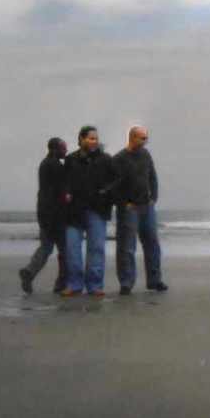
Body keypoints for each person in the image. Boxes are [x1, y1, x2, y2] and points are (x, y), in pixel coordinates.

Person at [62, 126, 118, 297]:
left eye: (96, 139)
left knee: (96, 249)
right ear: (81, 139)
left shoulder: (106, 159)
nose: (94, 141)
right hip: (74, 211)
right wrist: (66, 192)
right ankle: (74, 285)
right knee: (72, 249)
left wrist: (106, 192)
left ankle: (95, 286)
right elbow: (65, 181)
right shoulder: (71, 159)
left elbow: (116, 180)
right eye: (91, 138)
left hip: (97, 210)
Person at [113, 125, 167, 295]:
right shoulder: (119, 158)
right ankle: (126, 282)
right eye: (142, 138)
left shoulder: (145, 155)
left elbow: (152, 177)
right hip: (129, 208)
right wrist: (123, 203)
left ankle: (154, 280)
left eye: (146, 138)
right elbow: (113, 185)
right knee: (127, 246)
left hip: (146, 206)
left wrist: (153, 198)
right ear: (132, 137)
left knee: (152, 244)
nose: (145, 141)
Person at [19, 137, 69, 295]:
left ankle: (30, 271)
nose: (65, 151)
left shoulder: (44, 164)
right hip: (56, 215)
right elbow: (62, 192)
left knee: (46, 247)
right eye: (63, 148)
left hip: (44, 212)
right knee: (64, 250)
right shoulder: (56, 166)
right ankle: (61, 283)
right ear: (55, 149)